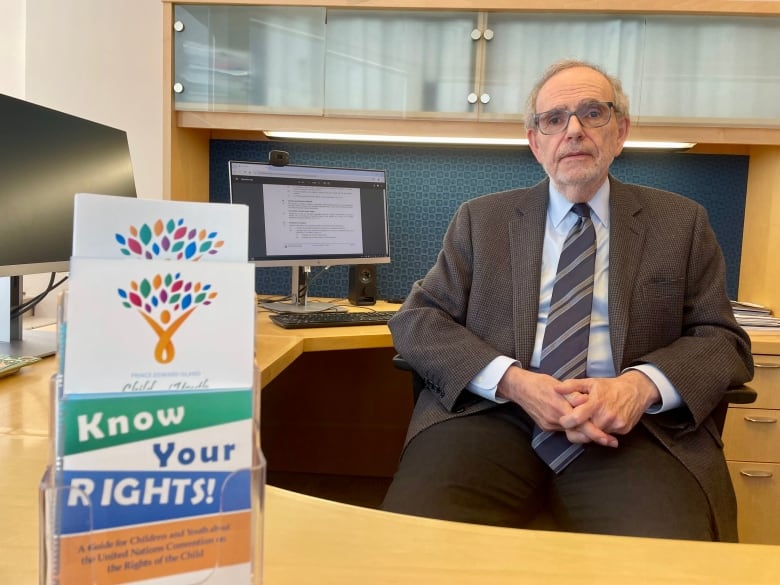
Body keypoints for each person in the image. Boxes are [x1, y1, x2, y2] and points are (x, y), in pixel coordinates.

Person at [381, 59, 754, 542]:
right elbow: (418, 321)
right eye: (554, 119)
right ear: (536, 142)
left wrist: (639, 386)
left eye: (591, 113)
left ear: (620, 131)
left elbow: (722, 340)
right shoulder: (482, 220)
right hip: (490, 420)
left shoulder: (680, 223)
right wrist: (513, 382)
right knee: (412, 549)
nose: (573, 130)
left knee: (667, 563)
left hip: (628, 431)